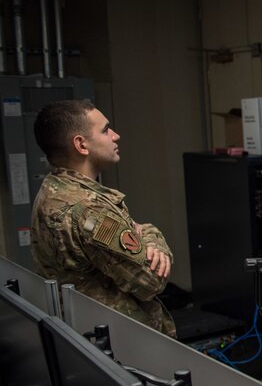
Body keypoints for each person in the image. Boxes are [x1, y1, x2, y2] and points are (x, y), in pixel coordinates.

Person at [30, 99, 176, 337]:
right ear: (81, 145)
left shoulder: (53, 187)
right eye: (106, 130)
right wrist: (152, 234)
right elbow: (151, 281)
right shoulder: (89, 210)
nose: (116, 136)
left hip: (85, 336)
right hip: (123, 344)